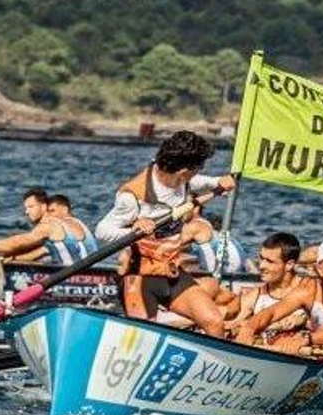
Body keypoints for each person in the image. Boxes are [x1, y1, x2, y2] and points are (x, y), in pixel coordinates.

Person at [94, 130, 236, 326]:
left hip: (171, 273)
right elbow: (101, 230)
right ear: (184, 169)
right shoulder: (133, 196)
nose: (200, 171)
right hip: (139, 279)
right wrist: (134, 231)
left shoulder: (183, 180)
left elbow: (198, 182)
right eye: (199, 167)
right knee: (143, 335)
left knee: (213, 321)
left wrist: (218, 182)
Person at [235, 232, 310, 352]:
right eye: (261, 258)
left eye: (269, 261)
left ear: (289, 265)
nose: (261, 266)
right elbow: (236, 324)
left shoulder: (308, 290)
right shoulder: (256, 294)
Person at [0, 188, 90, 264]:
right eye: (26, 208)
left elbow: (23, 240)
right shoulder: (76, 222)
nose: (26, 212)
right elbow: (39, 252)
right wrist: (12, 258)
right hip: (91, 276)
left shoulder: (49, 224)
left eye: (31, 207)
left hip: (73, 278)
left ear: (43, 206)